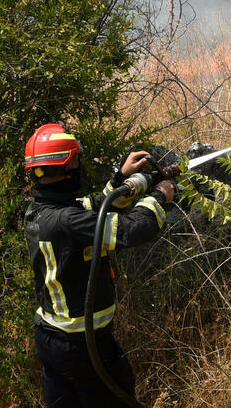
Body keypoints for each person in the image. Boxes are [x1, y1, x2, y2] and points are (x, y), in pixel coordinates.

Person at [23, 123, 175, 407]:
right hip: (84, 347)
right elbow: (133, 229)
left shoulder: (41, 211)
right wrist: (159, 196)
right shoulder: (66, 221)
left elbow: (96, 205)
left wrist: (122, 177)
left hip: (50, 339)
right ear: (67, 166)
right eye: (76, 160)